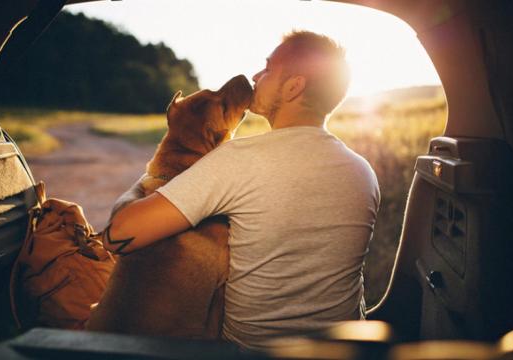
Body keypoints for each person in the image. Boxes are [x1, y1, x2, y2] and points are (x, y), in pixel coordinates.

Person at [103, 31, 380, 350]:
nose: (255, 76)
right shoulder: (363, 171)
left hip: (250, 352)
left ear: (293, 86)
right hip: (342, 351)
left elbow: (117, 235)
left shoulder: (237, 160)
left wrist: (145, 184)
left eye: (268, 69)